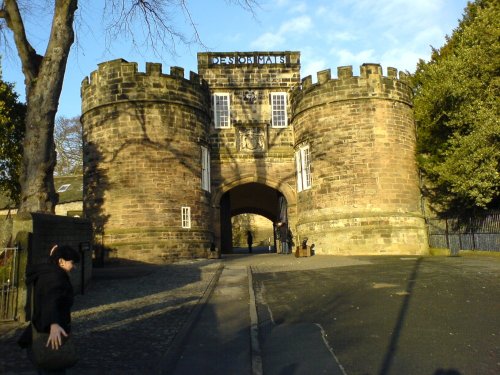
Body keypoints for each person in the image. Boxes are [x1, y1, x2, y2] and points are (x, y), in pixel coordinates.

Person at [22, 245, 80, 375]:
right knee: (53, 368)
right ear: (61, 261)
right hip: (49, 334)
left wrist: (52, 256)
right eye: (72, 263)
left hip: (40, 329)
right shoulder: (56, 277)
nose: (74, 267)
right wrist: (53, 323)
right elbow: (51, 299)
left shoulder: (48, 272)